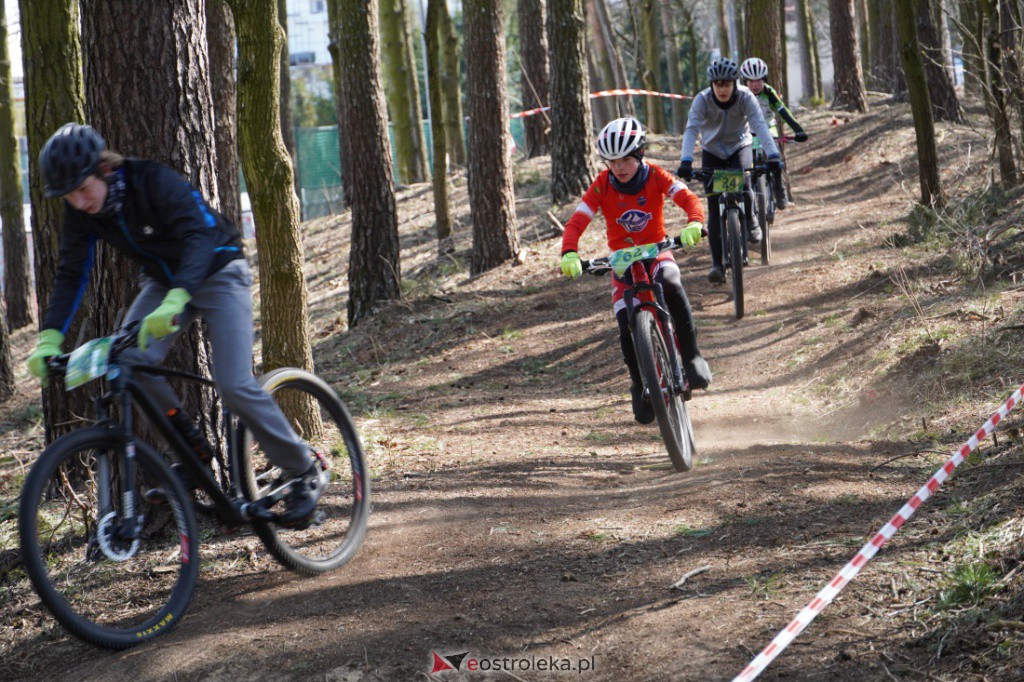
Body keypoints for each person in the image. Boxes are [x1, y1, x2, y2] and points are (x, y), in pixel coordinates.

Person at [26, 122, 323, 526]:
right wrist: (50, 337)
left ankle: (303, 469)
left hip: (219, 272)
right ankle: (190, 450)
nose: (78, 202)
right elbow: (70, 272)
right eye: (68, 195)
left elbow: (198, 235)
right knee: (127, 360)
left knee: (233, 384)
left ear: (104, 169)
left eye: (82, 189)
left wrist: (180, 295)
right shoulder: (83, 212)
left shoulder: (153, 180)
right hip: (164, 285)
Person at [559, 117, 712, 425]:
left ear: (640, 154)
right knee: (625, 321)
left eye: (626, 158)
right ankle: (638, 383)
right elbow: (577, 220)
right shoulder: (602, 184)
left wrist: (695, 221)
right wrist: (569, 252)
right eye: (612, 161)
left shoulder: (655, 175)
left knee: (670, 281)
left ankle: (692, 356)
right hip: (622, 262)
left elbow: (687, 197)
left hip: (657, 251)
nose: (619, 167)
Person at [677, 58, 782, 284]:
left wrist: (773, 154)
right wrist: (685, 160)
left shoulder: (746, 97)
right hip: (712, 151)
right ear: (712, 85)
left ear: (735, 83)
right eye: (718, 84)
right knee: (714, 207)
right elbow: (691, 129)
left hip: (738, 147)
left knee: (744, 180)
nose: (722, 89)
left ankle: (752, 218)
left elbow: (760, 126)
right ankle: (717, 265)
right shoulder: (702, 100)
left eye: (727, 84)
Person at [739, 57, 808, 209]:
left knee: (774, 157)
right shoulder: (740, 94)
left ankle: (780, 191)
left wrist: (798, 130)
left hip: (768, 127)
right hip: (746, 130)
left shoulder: (769, 92)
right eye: (751, 81)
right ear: (745, 81)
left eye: (759, 80)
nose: (755, 85)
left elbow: (784, 112)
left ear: (764, 79)